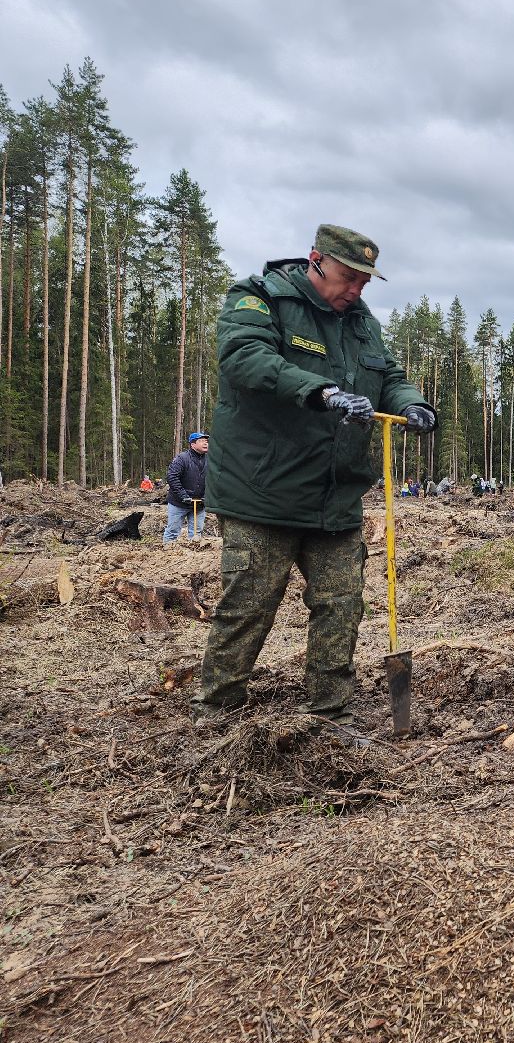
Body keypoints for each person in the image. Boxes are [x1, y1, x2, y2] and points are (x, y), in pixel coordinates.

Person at [192, 224, 437, 748]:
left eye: (365, 282)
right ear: (315, 261)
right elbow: (245, 359)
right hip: (264, 490)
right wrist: (321, 391)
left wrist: (412, 403)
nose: (356, 290)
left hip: (336, 493)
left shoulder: (361, 323)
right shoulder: (259, 300)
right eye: (348, 277)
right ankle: (217, 707)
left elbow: (386, 375)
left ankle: (330, 714)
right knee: (250, 603)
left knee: (342, 603)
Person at [164, 432, 209, 542]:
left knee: (196, 533)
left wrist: (207, 496)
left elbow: (214, 480)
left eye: (206, 441)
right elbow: (172, 477)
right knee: (172, 532)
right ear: (192, 444)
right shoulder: (182, 458)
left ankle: (193, 556)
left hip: (199, 504)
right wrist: (183, 495)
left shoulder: (210, 460)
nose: (206, 443)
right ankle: (168, 554)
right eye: (202, 441)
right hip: (178, 503)